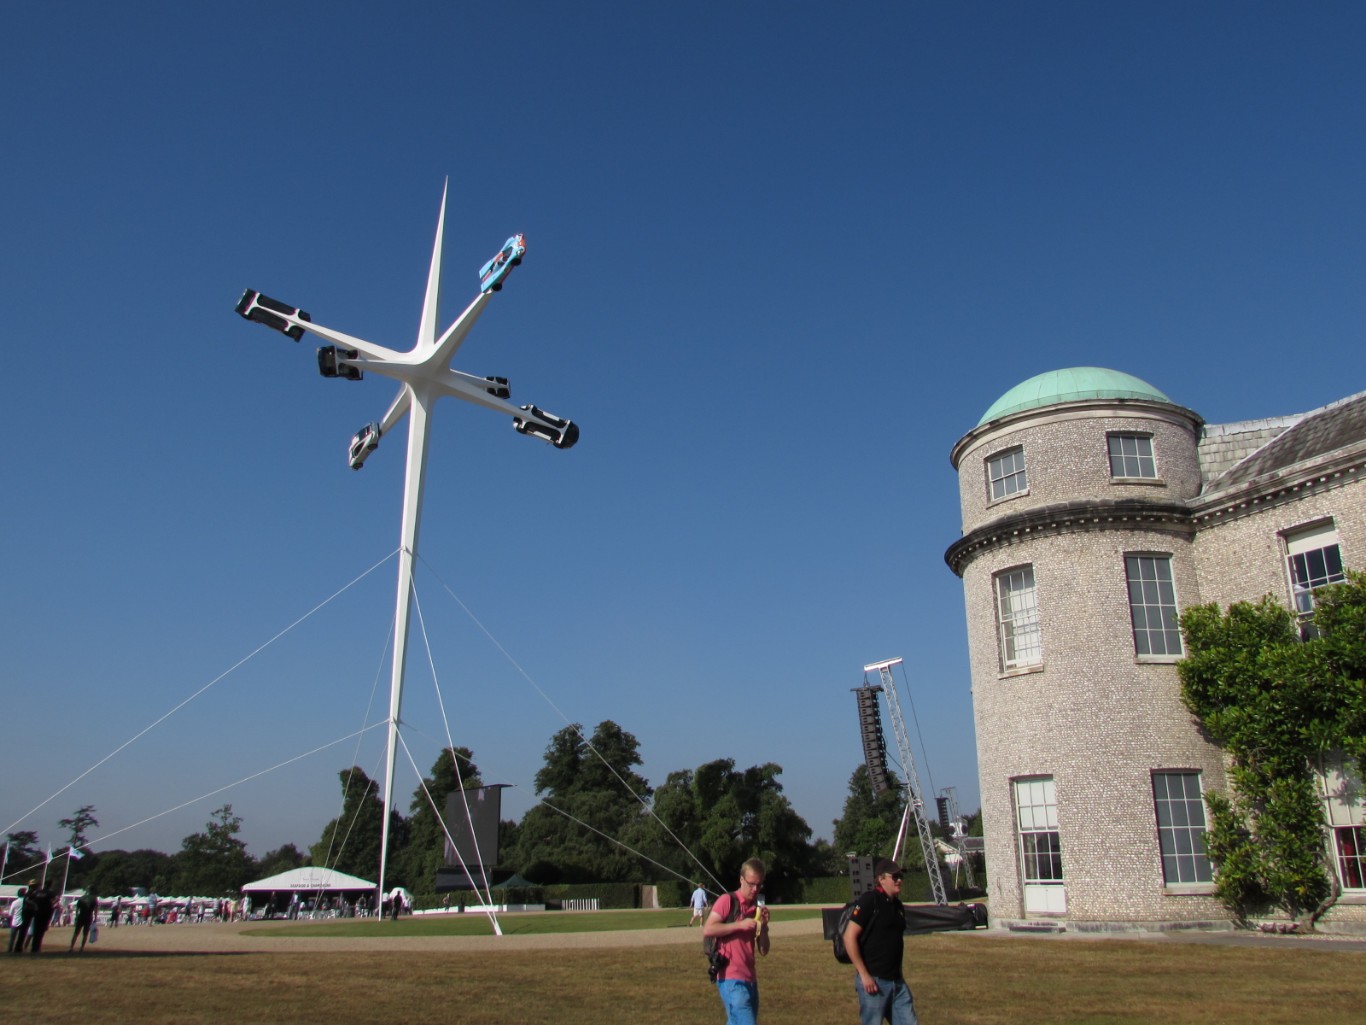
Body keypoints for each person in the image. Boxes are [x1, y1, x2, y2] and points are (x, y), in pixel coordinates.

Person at [842, 858, 916, 1025]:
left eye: (901, 876)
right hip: (874, 982)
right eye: (894, 876)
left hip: (897, 982)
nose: (899, 880)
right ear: (881, 879)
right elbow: (849, 936)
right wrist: (864, 975)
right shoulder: (870, 900)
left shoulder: (898, 906)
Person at [702, 858, 770, 1025]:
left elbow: (763, 950)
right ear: (741, 879)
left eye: (759, 885)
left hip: (750, 979)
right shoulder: (727, 901)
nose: (755, 889)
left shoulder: (756, 909)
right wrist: (739, 925)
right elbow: (709, 929)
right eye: (751, 884)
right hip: (730, 978)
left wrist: (765, 927)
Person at [25, 882, 55, 954]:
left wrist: (34, 905)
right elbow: (55, 899)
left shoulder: (37, 892)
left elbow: (27, 899)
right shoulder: (50, 893)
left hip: (37, 913)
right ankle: (37, 948)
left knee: (36, 931)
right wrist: (51, 905)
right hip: (45, 915)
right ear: (50, 886)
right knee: (41, 932)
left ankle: (34, 947)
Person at [7, 886, 27, 953]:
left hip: (15, 922)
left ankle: (10, 950)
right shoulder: (26, 902)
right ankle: (18, 949)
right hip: (23, 921)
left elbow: (10, 913)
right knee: (21, 938)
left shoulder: (14, 902)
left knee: (12, 938)